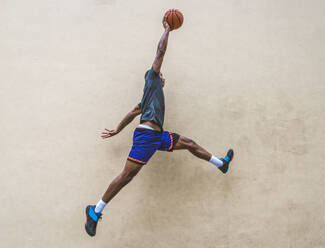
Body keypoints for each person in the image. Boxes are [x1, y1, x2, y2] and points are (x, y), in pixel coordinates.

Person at [85, 17, 234, 237]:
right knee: (127, 176)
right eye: (160, 74)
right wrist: (168, 30)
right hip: (147, 137)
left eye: (160, 75)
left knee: (190, 144)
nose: (162, 76)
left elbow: (132, 113)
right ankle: (95, 211)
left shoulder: (148, 97)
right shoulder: (152, 79)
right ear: (153, 77)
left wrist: (117, 129)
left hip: (158, 136)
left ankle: (221, 163)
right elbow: (160, 53)